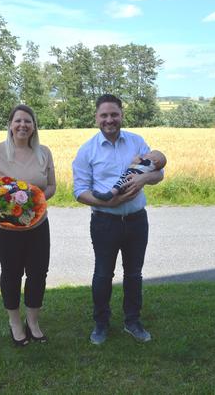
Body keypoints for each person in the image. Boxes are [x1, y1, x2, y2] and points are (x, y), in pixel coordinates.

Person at [72, 94, 164, 345]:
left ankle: (132, 321)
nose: (109, 120)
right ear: (97, 118)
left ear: (122, 115)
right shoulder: (86, 150)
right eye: (104, 115)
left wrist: (143, 179)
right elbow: (79, 191)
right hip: (104, 222)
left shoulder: (136, 142)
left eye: (114, 114)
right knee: (103, 274)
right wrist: (107, 202)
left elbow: (159, 171)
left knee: (134, 274)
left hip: (136, 220)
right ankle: (101, 324)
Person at [0, 104, 56, 346]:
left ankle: (33, 321)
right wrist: (4, 210)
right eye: (18, 121)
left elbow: (51, 186)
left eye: (28, 121)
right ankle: (14, 322)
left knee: (38, 272)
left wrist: (35, 201)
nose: (23, 125)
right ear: (10, 125)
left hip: (37, 225)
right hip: (4, 229)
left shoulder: (44, 153)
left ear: (34, 126)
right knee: (12, 272)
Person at [93, 150, 167, 201]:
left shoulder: (149, 163)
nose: (147, 153)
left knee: (120, 183)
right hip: (130, 176)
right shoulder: (152, 167)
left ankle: (109, 195)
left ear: (155, 160)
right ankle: (117, 193)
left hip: (131, 176)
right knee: (122, 183)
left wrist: (136, 158)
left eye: (151, 153)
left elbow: (160, 174)